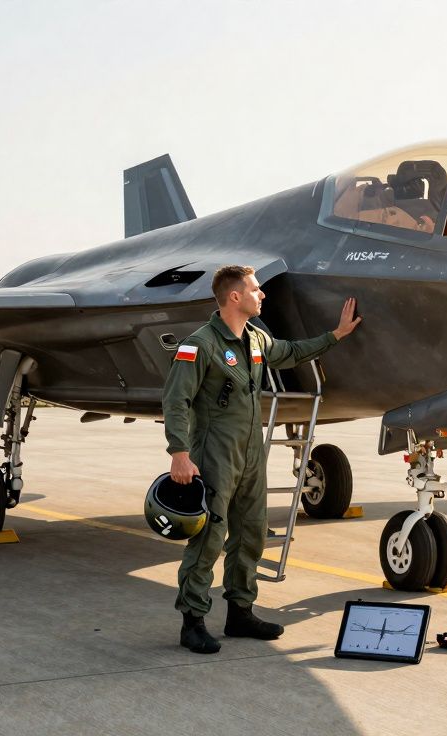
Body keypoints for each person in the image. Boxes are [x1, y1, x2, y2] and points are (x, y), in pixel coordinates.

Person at [162, 265, 361, 654]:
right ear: (234, 296)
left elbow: (290, 353)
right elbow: (176, 400)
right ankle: (192, 621)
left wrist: (335, 335)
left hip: (252, 452)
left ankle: (240, 613)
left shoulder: (255, 338)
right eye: (255, 289)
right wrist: (179, 454)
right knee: (209, 537)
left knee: (251, 533)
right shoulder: (199, 345)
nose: (262, 294)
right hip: (214, 453)